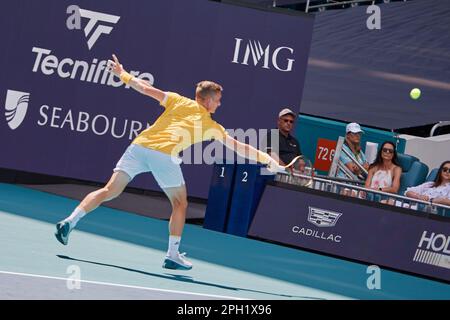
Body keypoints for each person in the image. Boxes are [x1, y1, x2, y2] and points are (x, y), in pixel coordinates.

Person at [54, 54, 284, 270]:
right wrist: (266, 160)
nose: (220, 104)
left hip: (139, 147)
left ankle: (70, 221)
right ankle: (172, 255)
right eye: (218, 100)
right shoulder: (212, 126)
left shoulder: (177, 100)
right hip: (163, 154)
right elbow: (239, 146)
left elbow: (144, 88)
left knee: (109, 190)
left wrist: (122, 73)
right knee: (180, 204)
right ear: (207, 100)